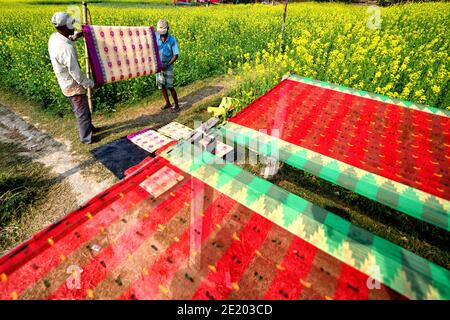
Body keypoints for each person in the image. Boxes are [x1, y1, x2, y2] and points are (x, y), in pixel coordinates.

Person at [48, 12, 96, 144]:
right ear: (64, 27)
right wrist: (90, 83)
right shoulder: (65, 48)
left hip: (65, 82)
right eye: (71, 24)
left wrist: (76, 36)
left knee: (82, 108)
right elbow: (76, 73)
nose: (73, 26)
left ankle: (89, 129)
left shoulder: (55, 38)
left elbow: (67, 39)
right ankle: (86, 138)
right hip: (72, 84)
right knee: (82, 111)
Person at [156, 19, 180, 113]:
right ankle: (168, 103)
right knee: (162, 86)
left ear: (168, 29)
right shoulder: (155, 36)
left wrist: (168, 64)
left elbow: (176, 55)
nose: (161, 34)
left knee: (170, 86)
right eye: (160, 32)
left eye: (163, 32)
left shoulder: (172, 39)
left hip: (168, 66)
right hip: (159, 67)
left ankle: (177, 105)